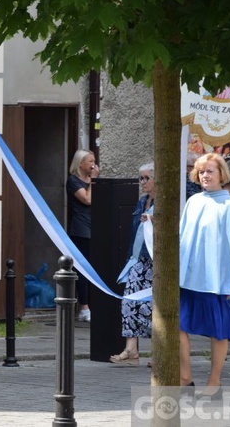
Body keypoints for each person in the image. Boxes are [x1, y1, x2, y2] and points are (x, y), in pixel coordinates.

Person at [179, 153, 230, 395]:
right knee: (176, 325)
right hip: (189, 278)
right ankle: (185, 377)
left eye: (210, 171)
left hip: (216, 281)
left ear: (221, 175)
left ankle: (214, 381)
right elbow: (183, 239)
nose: (205, 175)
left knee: (218, 330)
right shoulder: (193, 202)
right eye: (202, 171)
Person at [110, 162, 155, 365]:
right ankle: (131, 349)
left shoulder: (164, 203)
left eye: (147, 178)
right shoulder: (142, 202)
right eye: (141, 178)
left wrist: (155, 220)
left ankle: (160, 352)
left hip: (155, 260)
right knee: (129, 301)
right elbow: (134, 233)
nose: (143, 182)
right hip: (138, 259)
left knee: (153, 306)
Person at [66, 149, 99, 322]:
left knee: (94, 267)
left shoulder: (91, 180)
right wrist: (93, 181)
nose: (93, 164)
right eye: (89, 161)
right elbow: (87, 199)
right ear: (80, 164)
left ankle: (94, 304)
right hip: (81, 230)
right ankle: (84, 307)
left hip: (94, 228)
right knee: (83, 268)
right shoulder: (73, 181)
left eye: (94, 160)